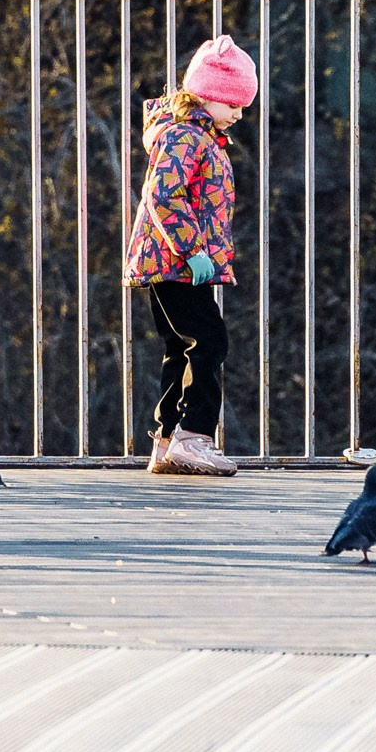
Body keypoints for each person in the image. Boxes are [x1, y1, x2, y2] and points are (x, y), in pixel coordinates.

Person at [123, 34, 257, 476]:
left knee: (181, 346)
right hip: (175, 261)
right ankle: (193, 435)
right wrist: (194, 250)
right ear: (208, 96)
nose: (239, 114)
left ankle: (166, 443)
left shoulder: (198, 136)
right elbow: (164, 196)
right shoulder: (185, 136)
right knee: (208, 340)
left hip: (173, 260)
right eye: (233, 104)